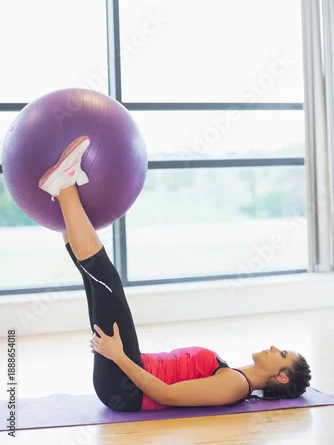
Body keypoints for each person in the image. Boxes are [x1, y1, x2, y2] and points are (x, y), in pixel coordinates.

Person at [38, 136, 312, 412]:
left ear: (281, 376)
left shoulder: (236, 386)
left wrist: (119, 357)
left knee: (106, 282)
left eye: (283, 354)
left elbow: (168, 395)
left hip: (125, 384)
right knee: (96, 282)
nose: (275, 347)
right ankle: (64, 197)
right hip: (127, 371)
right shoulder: (232, 374)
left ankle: (65, 184)